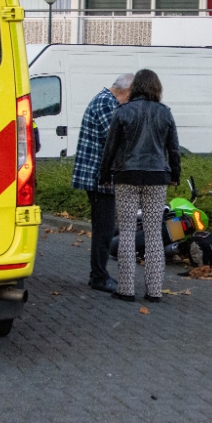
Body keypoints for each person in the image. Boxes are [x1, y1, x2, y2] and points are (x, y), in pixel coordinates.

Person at [99, 69, 180, 303]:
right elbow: (173, 148)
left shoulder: (123, 111)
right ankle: (154, 291)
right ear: (157, 88)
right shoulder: (165, 113)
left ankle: (126, 289)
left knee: (126, 232)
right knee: (154, 233)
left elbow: (110, 147)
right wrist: (174, 174)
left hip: (127, 176)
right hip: (157, 178)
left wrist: (104, 175)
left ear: (135, 88)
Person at [71, 73, 134, 293]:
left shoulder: (104, 99)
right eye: (131, 96)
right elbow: (116, 139)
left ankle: (99, 274)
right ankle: (98, 277)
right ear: (125, 91)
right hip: (100, 179)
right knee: (104, 230)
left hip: (98, 177)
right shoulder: (107, 104)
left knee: (104, 228)